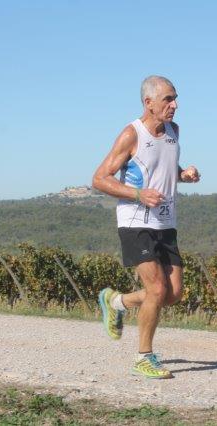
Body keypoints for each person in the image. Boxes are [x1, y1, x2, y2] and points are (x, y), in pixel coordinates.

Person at [92, 75, 200, 379]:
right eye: (168, 99)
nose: (175, 105)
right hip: (135, 222)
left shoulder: (174, 131)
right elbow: (100, 179)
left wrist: (183, 174)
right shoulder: (131, 134)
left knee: (172, 294)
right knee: (156, 289)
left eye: (175, 98)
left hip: (165, 222)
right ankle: (144, 357)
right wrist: (138, 194)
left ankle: (116, 302)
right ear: (148, 102)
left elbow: (163, 168)